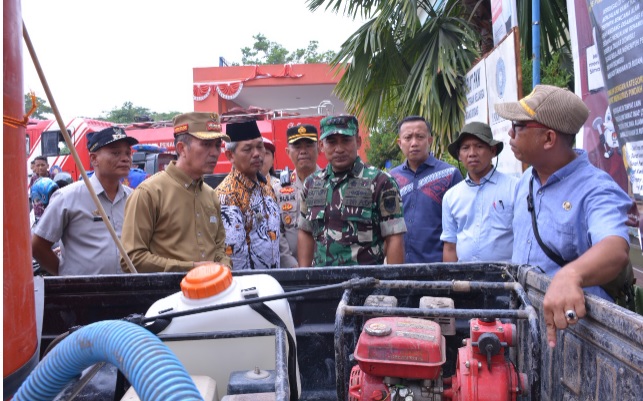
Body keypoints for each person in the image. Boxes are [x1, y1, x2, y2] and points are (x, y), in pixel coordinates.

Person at [494, 84, 632, 347]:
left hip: (574, 337)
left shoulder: (596, 188)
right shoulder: (526, 181)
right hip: (525, 326)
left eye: (519, 126)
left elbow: (615, 249)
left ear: (548, 138)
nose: (510, 133)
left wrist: (570, 276)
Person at [121, 112, 231, 273]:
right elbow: (131, 258)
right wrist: (190, 269)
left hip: (213, 294)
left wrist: (224, 265)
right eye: (206, 145)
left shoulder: (210, 195)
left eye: (217, 145)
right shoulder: (149, 193)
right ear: (182, 148)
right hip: (169, 295)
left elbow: (219, 247)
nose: (215, 152)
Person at [298, 115, 406, 267]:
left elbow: (394, 236)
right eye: (332, 142)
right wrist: (305, 278)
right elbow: (305, 231)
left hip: (365, 284)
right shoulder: (311, 184)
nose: (339, 149)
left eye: (346, 140)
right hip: (322, 285)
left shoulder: (381, 182)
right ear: (321, 145)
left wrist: (395, 284)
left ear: (358, 141)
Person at [32, 127, 139, 275]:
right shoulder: (67, 197)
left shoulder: (134, 198)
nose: (126, 158)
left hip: (127, 291)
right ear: (94, 159)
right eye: (116, 153)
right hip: (82, 294)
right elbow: (37, 246)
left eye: (128, 153)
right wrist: (65, 275)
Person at [441, 122, 518, 262]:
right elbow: (450, 246)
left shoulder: (514, 188)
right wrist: (450, 281)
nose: (472, 153)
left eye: (479, 146)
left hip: (506, 279)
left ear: (493, 151)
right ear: (459, 155)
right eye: (465, 148)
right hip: (464, 279)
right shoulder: (451, 196)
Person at [389, 116, 463, 263]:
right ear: (399, 143)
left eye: (420, 137)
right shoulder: (391, 178)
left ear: (430, 140)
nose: (414, 143)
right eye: (408, 137)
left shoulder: (449, 174)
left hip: (438, 269)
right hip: (400, 270)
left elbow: (460, 226)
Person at [216, 119, 281, 270]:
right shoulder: (226, 195)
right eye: (247, 149)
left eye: (260, 146)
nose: (257, 154)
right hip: (249, 287)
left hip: (274, 282)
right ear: (230, 155)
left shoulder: (266, 187)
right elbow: (235, 259)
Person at [272, 124, 321, 268]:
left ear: (319, 147)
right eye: (297, 146)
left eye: (309, 145)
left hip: (325, 267)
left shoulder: (330, 184)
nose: (303, 151)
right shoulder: (278, 190)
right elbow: (277, 233)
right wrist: (293, 266)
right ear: (288, 151)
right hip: (291, 269)